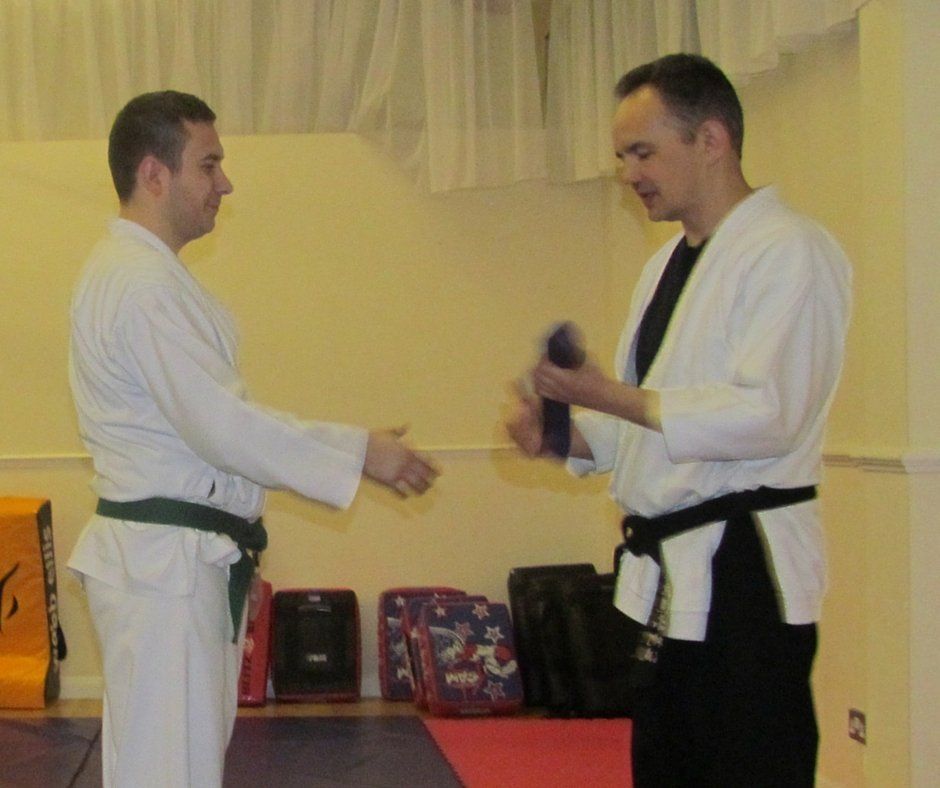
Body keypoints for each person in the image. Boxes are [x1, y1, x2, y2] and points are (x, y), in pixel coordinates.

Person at [67, 90, 439, 788]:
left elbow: (212, 431)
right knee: (165, 772)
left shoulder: (147, 278)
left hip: (178, 565)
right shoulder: (138, 284)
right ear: (155, 174)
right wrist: (360, 452)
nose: (225, 183)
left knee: (173, 766)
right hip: (163, 573)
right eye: (209, 165)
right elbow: (222, 427)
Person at [506, 54, 851, 786]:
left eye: (643, 152)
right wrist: (559, 433)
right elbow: (643, 420)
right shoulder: (666, 264)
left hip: (744, 568)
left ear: (712, 140)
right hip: (673, 574)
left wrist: (605, 395)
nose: (629, 173)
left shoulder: (790, 250)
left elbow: (770, 416)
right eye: (622, 156)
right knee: (668, 767)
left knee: (748, 767)